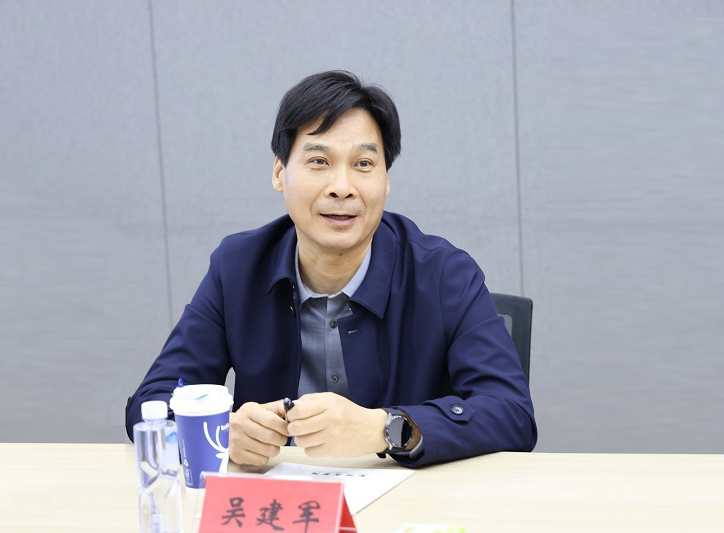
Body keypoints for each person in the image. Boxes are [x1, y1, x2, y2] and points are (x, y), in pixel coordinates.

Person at [125, 70, 536, 467]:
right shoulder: (237, 268)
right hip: (280, 500)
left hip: (413, 502)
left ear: (386, 180)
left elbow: (512, 414)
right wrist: (217, 432)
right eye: (319, 161)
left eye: (363, 164)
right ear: (280, 173)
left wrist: (386, 428)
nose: (342, 187)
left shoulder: (445, 274)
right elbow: (152, 402)